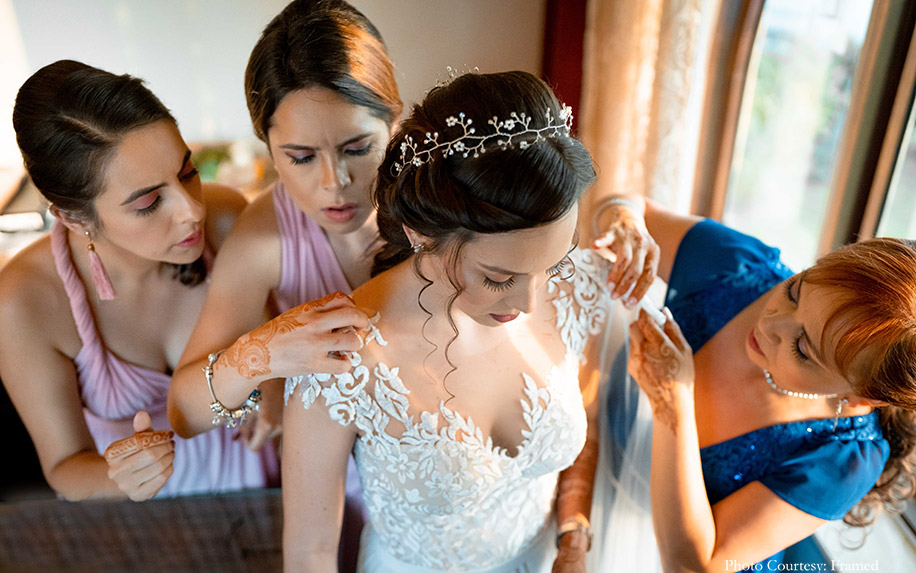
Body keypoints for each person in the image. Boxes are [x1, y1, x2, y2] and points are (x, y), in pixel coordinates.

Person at [281, 70, 629, 573]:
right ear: (421, 233)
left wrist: (573, 537)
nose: (531, 301)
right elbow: (310, 554)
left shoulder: (581, 289)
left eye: (552, 266)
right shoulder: (338, 358)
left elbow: (589, 415)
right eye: (499, 277)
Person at [166, 1, 400, 569]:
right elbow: (184, 411)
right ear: (268, 149)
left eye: (357, 148)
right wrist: (263, 357)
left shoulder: (444, 195)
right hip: (330, 493)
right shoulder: (264, 238)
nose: (334, 182)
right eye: (300, 158)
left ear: (394, 120)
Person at [0, 60, 278, 501]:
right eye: (149, 202)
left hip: (264, 486)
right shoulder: (25, 300)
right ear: (74, 218)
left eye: (188, 173)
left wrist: (273, 390)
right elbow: (63, 466)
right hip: (149, 520)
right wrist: (118, 477)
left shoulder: (227, 220)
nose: (193, 210)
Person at [614, 199, 916, 570]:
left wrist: (672, 400)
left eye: (802, 349)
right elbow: (630, 205)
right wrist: (624, 222)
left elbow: (691, 564)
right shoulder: (743, 269)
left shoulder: (842, 461)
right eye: (794, 292)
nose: (770, 324)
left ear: (860, 396)